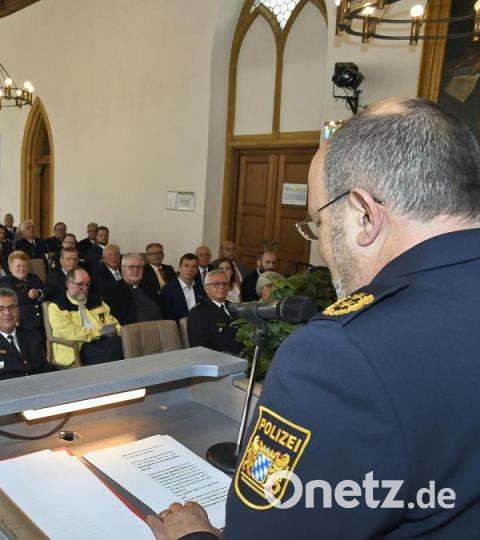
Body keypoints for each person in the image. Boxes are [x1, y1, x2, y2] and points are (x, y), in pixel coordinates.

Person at [150, 98, 480, 539]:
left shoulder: (339, 356)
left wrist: (192, 535)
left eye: (318, 226)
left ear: (364, 215)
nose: (321, 247)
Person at [47, 267, 123, 367]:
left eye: (87, 284)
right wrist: (98, 333)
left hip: (103, 341)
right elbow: (70, 333)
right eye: (80, 284)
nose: (85, 288)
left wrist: (118, 331)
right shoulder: (57, 306)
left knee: (121, 342)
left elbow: (111, 322)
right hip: (79, 346)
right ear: (68, 284)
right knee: (108, 356)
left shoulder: (97, 301)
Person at [186, 270, 240, 354]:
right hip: (220, 361)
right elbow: (200, 347)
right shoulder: (198, 313)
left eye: (225, 283)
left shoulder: (234, 307)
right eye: (216, 284)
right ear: (206, 288)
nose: (222, 287)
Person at [103, 253, 165, 325]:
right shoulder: (112, 292)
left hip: (160, 330)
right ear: (122, 268)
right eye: (131, 267)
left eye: (139, 267)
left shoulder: (150, 287)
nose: (135, 270)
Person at [0, 251, 45, 333]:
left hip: (43, 318)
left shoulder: (34, 278)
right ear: (10, 268)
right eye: (18, 266)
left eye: (25, 266)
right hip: (23, 323)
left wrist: (38, 293)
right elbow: (16, 298)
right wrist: (33, 295)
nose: (22, 269)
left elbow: (47, 291)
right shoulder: (6, 282)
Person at [160, 253, 205, 321]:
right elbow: (167, 316)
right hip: (178, 328)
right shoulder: (168, 289)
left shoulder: (200, 287)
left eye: (194, 267)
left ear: (197, 270)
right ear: (180, 268)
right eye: (186, 266)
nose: (190, 269)